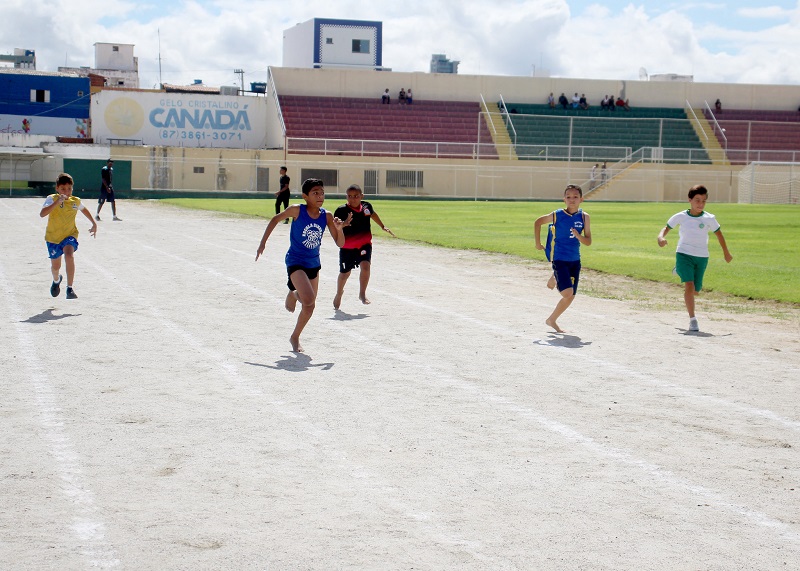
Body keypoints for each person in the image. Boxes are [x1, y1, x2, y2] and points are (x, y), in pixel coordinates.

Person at [255, 178, 351, 353]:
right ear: (305, 196)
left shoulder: (327, 216)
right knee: (308, 299)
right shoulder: (297, 210)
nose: (320, 196)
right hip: (295, 260)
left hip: (314, 263)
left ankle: (295, 336)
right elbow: (275, 219)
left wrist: (339, 229)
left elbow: (340, 244)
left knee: (310, 305)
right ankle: (293, 294)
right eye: (315, 193)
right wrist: (263, 243)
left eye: (322, 193)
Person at [657, 184, 732, 332]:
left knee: (696, 290)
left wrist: (726, 253)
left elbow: (719, 235)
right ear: (689, 200)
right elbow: (666, 228)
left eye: (704, 201)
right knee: (689, 286)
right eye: (697, 200)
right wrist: (660, 237)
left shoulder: (709, 218)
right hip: (684, 254)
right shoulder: (681, 216)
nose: (700, 204)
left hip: (702, 257)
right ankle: (693, 320)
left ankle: (679, 271)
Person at [534, 184, 592, 333]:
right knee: (567, 293)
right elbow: (538, 222)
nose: (572, 200)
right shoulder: (557, 214)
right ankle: (555, 276)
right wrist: (537, 243)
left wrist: (579, 236)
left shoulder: (585, 217)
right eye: (568, 197)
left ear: (581, 199)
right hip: (559, 258)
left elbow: (588, 241)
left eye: (575, 197)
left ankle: (551, 320)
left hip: (575, 260)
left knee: (571, 296)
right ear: (564, 199)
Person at [332, 184, 396, 309]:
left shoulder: (367, 206)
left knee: (365, 267)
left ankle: (362, 293)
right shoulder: (341, 210)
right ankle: (339, 293)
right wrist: (344, 224)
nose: (352, 199)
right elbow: (335, 227)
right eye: (349, 196)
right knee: (345, 273)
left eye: (356, 196)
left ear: (362, 196)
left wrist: (382, 226)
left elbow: (373, 214)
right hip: (347, 247)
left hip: (364, 245)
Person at [40, 173, 97, 299]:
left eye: (69, 188)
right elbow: (42, 214)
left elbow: (84, 209)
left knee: (69, 255)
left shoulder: (75, 201)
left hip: (69, 235)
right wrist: (57, 202)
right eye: (63, 189)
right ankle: (56, 280)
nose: (66, 192)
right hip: (53, 238)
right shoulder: (51, 198)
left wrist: (93, 223)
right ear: (57, 189)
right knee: (56, 267)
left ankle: (70, 288)